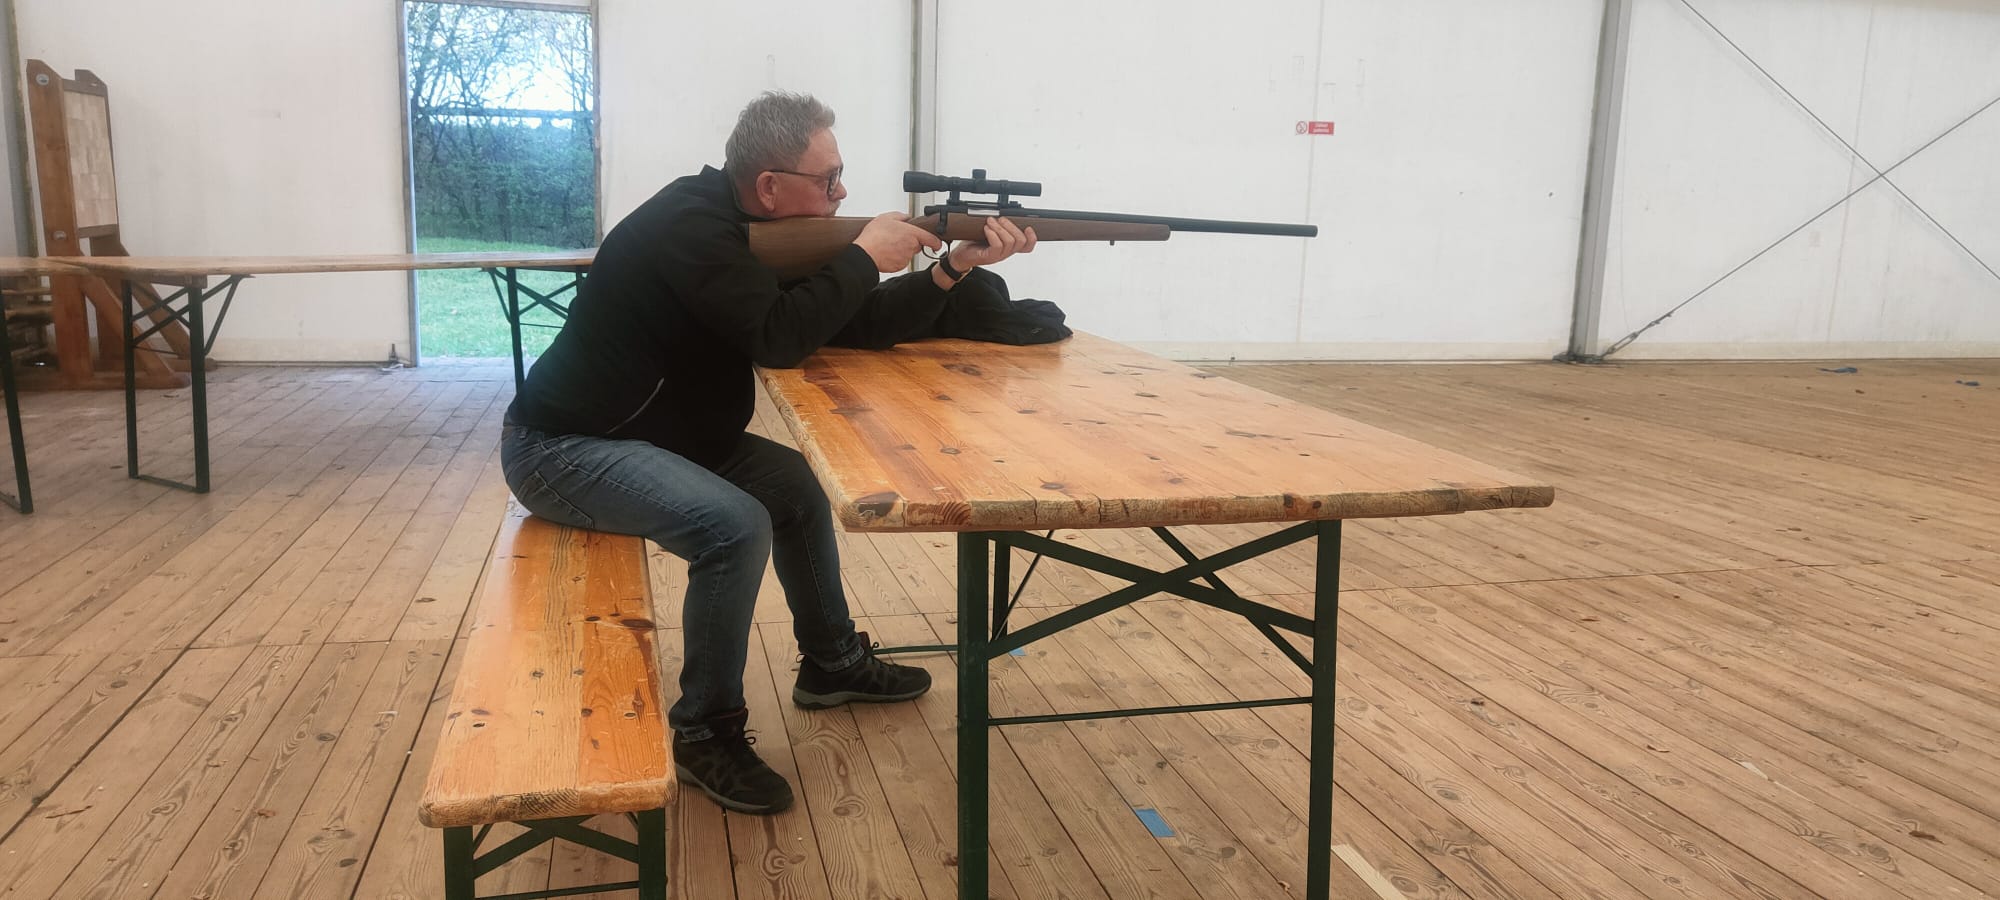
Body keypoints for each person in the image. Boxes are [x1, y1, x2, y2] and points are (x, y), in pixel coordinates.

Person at [499, 91, 1036, 815]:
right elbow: (779, 338)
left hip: (663, 436)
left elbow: (850, 324)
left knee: (794, 487)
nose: (841, 193)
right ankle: (705, 731)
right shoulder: (692, 228)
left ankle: (832, 664)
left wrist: (951, 271)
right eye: (828, 179)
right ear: (770, 186)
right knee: (734, 525)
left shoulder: (752, 226)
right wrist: (860, 257)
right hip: (565, 447)